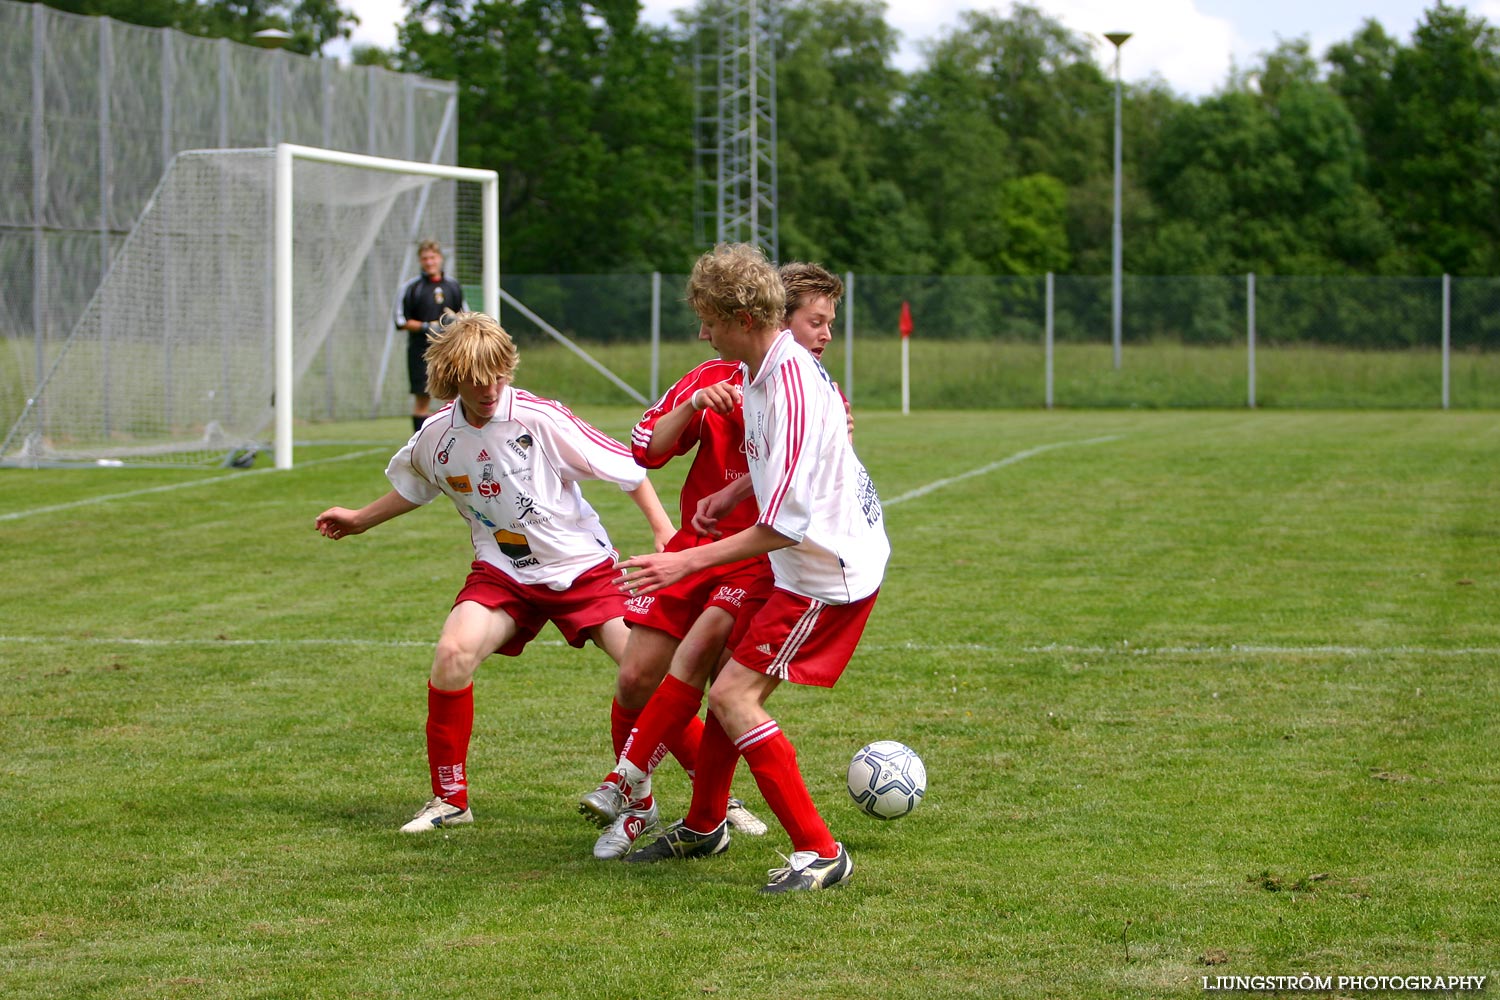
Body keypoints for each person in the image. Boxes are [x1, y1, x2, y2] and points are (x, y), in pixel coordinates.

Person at [316, 311, 675, 833]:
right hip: (504, 573)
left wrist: (663, 531)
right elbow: (415, 486)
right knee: (452, 653)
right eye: (476, 378)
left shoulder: (540, 417)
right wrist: (359, 521)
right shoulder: (436, 436)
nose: (490, 388)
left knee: (643, 674)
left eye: (498, 374)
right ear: (451, 377)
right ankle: (450, 802)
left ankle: (718, 799)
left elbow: (626, 468)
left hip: (583, 570)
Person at [615, 244, 889, 893]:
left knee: (735, 698)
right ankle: (707, 822)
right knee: (729, 688)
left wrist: (680, 559)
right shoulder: (763, 371)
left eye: (709, 318)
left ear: (740, 315)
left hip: (827, 573)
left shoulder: (788, 382)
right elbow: (790, 469)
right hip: (807, 560)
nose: (703, 332)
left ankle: (820, 851)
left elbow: (786, 525)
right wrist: (733, 492)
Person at [395, 239, 465, 433]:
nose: (429, 262)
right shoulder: (412, 288)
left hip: (449, 350)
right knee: (422, 398)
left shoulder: (453, 286)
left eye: (433, 257)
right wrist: (429, 326)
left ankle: (457, 439)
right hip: (421, 352)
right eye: (425, 258)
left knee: (456, 396)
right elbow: (401, 321)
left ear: (440, 258)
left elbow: (463, 315)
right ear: (420, 261)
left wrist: (454, 322)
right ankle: (418, 443)